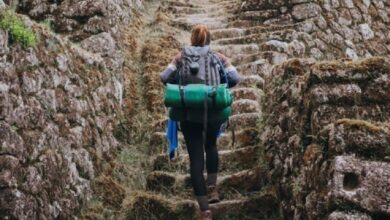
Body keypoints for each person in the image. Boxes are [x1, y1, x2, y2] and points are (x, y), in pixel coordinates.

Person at [160, 24, 240, 220]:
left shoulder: (179, 58)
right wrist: (217, 87)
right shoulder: (218, 57)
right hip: (211, 113)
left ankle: (205, 211)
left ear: (191, 40)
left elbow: (164, 77)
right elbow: (235, 78)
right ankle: (213, 189)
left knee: (196, 159)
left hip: (188, 115)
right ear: (209, 40)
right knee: (211, 146)